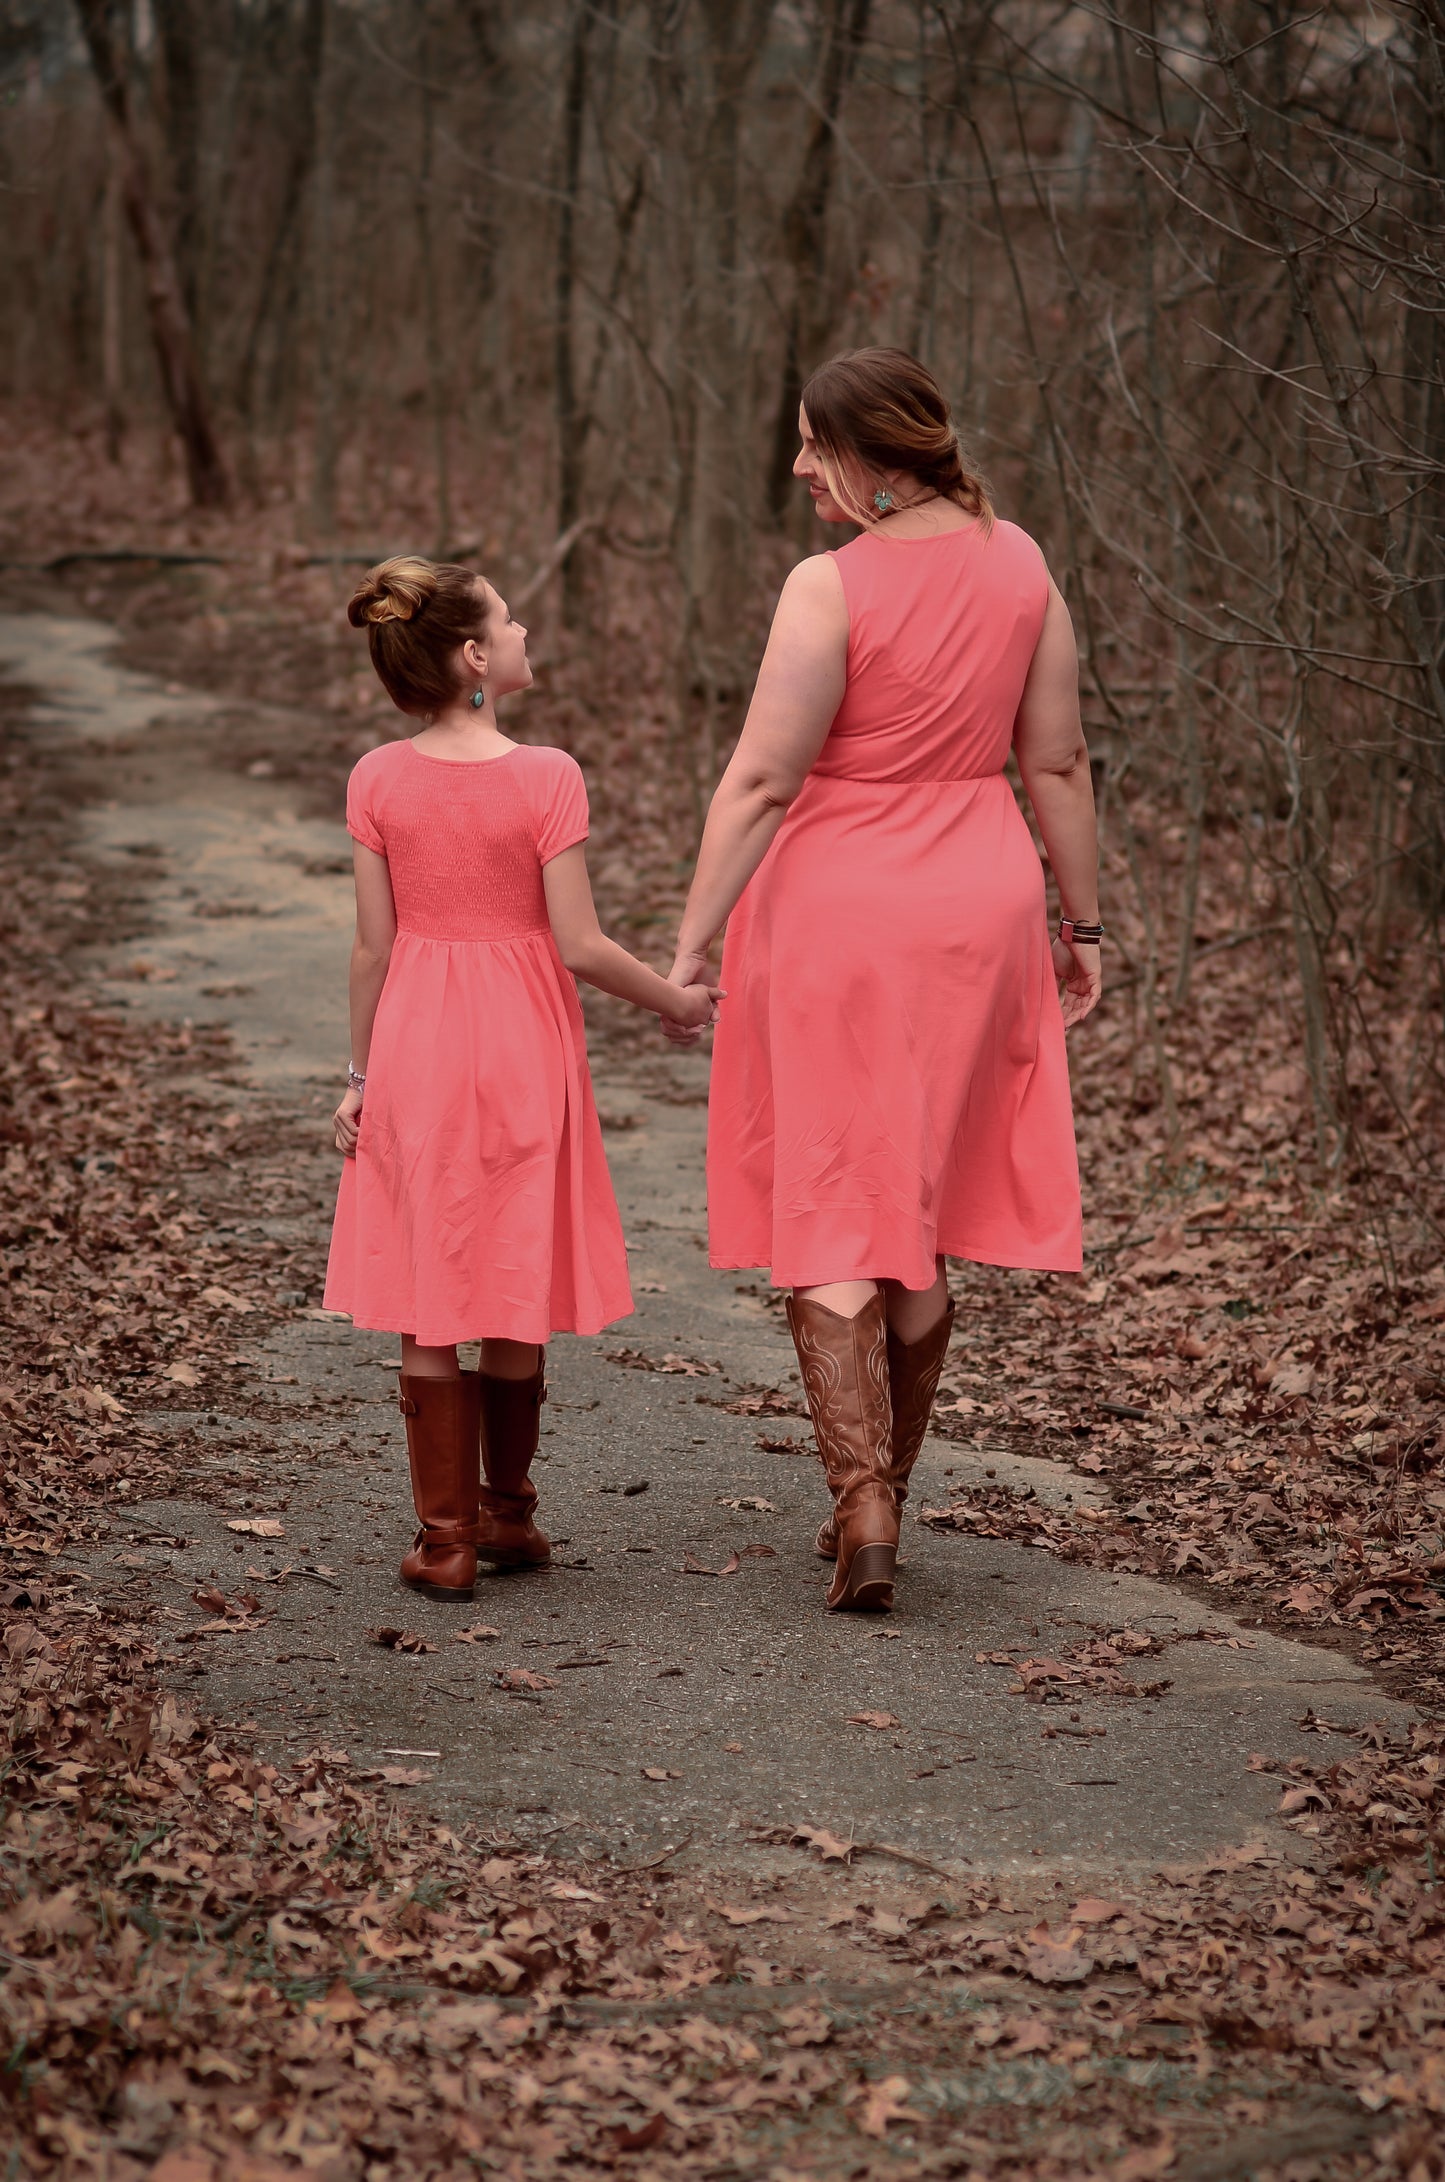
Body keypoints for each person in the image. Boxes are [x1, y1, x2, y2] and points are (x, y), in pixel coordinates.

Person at [665, 347, 1101, 1615]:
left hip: (841, 909)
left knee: (837, 1190)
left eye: (814, 444)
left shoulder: (829, 585)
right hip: (977, 903)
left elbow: (762, 779)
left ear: (876, 452)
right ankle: (880, 1493)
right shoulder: (1021, 562)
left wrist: (689, 942)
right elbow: (1056, 762)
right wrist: (1083, 922)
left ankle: (863, 1502)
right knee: (911, 1197)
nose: (799, 466)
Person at [324, 556, 721, 1603]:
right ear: (472, 658)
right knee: (507, 1270)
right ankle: (506, 1513)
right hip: (523, 1048)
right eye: (507, 621)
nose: (523, 631)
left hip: (417, 1046)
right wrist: (679, 1001)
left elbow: (372, 948)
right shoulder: (547, 776)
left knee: (429, 1288)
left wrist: (360, 1076)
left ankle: (445, 1539)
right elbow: (579, 944)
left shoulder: (376, 778)